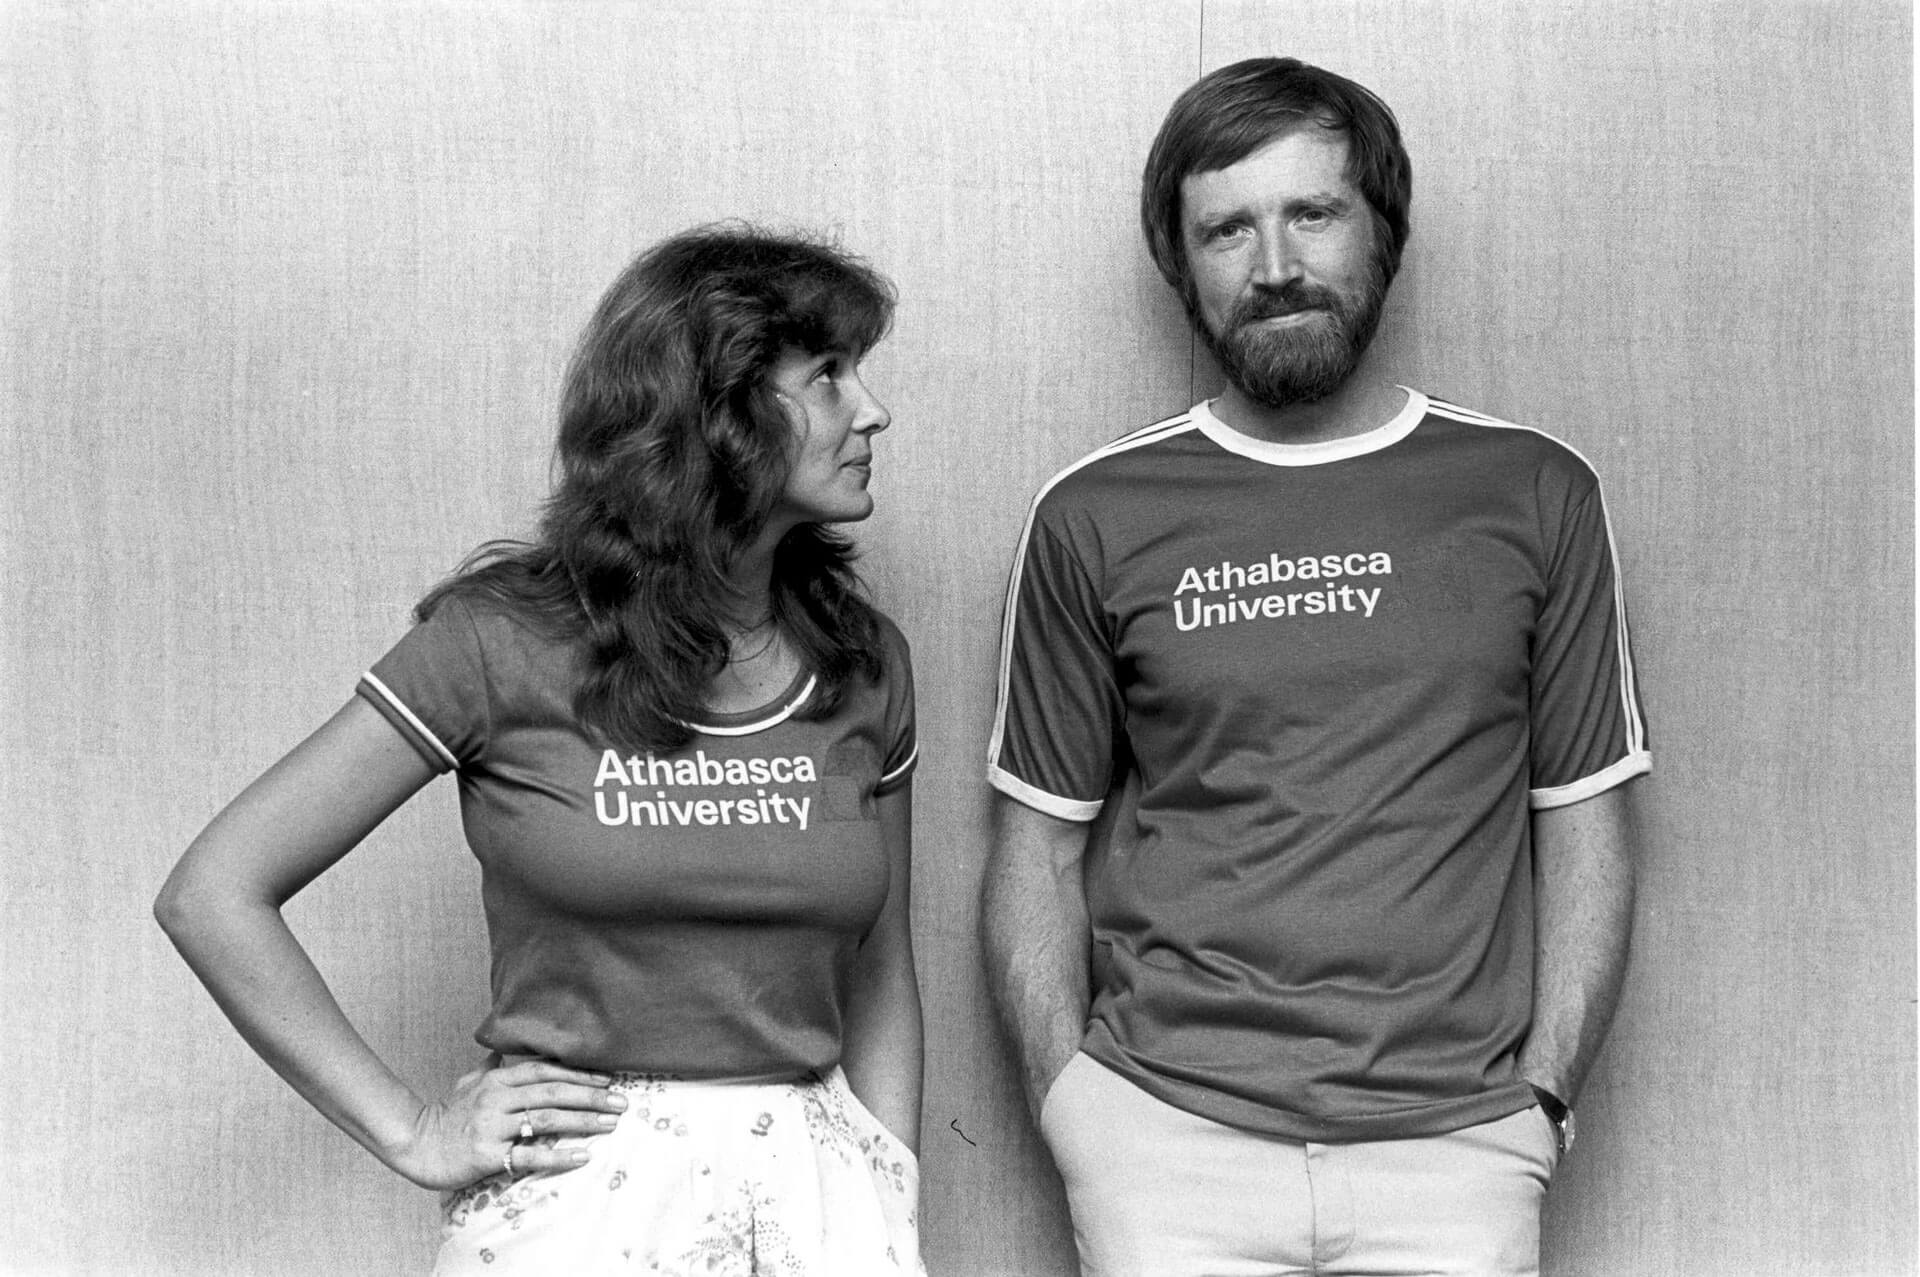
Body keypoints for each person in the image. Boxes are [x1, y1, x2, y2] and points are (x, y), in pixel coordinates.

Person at [982, 57, 1649, 1277]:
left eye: (1313, 213)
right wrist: (1074, 1108)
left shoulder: (1532, 491)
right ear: (1182, 265)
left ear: (1384, 229)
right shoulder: (1095, 512)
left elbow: (1589, 824)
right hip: (1164, 1142)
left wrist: (1541, 1100)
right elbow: (1037, 846)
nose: (1275, 264)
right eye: (1227, 228)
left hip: (1458, 1150)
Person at [156, 226, 925, 1275]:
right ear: (718, 412)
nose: (871, 408)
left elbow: (882, 964)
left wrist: (888, 1185)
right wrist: (413, 1128)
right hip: (577, 1209)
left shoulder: (862, 660)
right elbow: (214, 890)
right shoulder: (497, 640)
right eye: (830, 375)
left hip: (820, 1205)